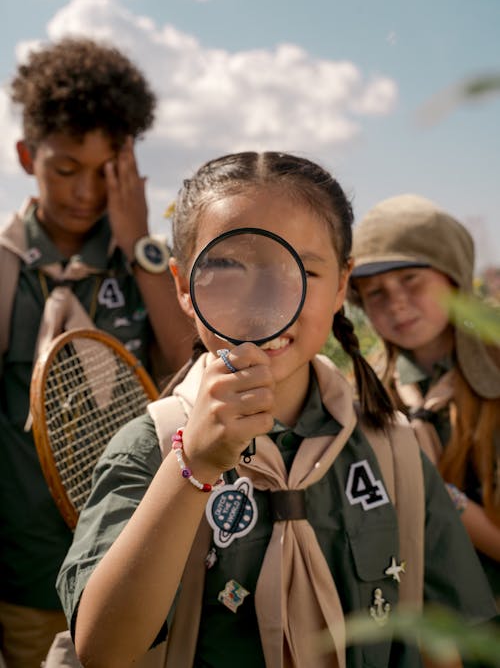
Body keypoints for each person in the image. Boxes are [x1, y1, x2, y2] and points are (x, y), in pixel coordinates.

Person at [56, 153, 496, 668]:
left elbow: (441, 642)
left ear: (340, 285)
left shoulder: (393, 450)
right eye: (227, 266)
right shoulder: (150, 449)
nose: (266, 299)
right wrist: (191, 470)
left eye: (304, 270)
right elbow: (103, 650)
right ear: (182, 285)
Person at [0, 37, 193, 668]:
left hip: (136, 571)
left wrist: (139, 240)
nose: (85, 192)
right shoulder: (6, 270)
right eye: (65, 169)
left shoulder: (146, 262)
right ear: (27, 156)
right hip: (27, 578)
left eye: (105, 170)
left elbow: (189, 352)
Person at [348, 193, 500, 605]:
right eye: (374, 292)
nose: (396, 302)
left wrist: (431, 486)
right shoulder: (363, 394)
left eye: (411, 279)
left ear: (453, 277)